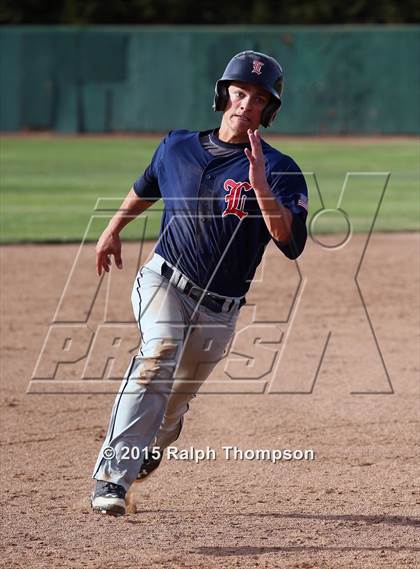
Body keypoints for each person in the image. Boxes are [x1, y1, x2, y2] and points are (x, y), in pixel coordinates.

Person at [91, 50, 308, 516]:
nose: (245, 103)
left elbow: (289, 242)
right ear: (223, 94)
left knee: (173, 407)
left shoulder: (281, 168)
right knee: (159, 353)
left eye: (257, 98)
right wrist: (112, 230)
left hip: (220, 310)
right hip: (164, 279)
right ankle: (112, 478)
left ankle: (161, 436)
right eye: (239, 92)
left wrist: (261, 184)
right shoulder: (178, 146)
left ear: (268, 110)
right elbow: (146, 185)